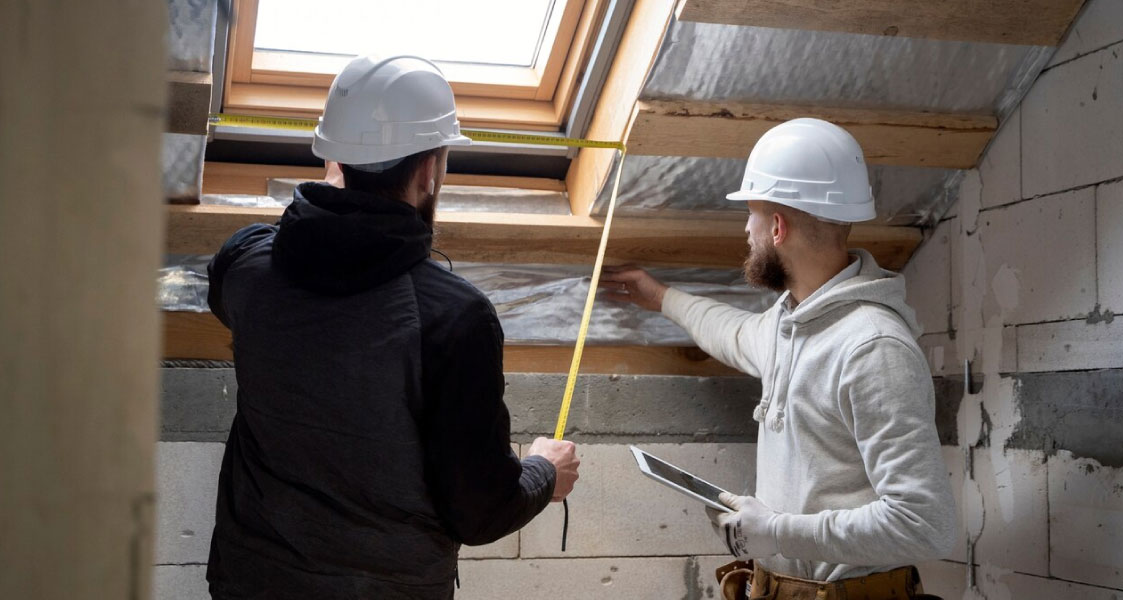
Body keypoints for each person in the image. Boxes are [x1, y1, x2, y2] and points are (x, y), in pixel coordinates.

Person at [205, 55, 579, 600]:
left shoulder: (245, 266)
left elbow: (245, 287)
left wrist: (328, 204)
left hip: (248, 582)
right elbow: (479, 513)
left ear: (331, 157)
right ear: (429, 171)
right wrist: (544, 472)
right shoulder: (455, 317)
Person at [602, 119, 955, 600]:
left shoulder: (873, 347)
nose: (746, 229)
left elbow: (924, 524)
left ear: (777, 226)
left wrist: (776, 531)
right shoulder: (790, 322)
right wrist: (659, 296)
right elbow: (734, 333)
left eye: (751, 213)